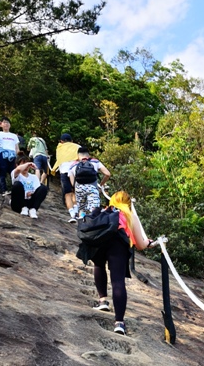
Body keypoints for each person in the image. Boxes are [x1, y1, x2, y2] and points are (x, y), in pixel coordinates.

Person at [80, 191, 154, 336]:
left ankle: (102, 301)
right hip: (118, 246)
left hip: (100, 242)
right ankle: (119, 323)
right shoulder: (129, 216)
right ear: (128, 203)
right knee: (118, 281)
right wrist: (149, 243)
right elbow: (140, 244)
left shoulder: (104, 211)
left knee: (99, 266)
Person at [68, 146, 111, 222]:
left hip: (79, 189)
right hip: (93, 188)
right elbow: (107, 174)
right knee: (94, 210)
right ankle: (92, 226)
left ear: (78, 155)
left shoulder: (73, 165)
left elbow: (72, 183)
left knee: (81, 209)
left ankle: (82, 224)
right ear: (88, 155)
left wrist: (76, 188)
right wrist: (100, 185)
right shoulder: (95, 162)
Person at [50, 133, 80, 218]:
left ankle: (71, 212)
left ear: (61, 141)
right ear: (72, 141)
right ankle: (76, 209)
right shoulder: (78, 146)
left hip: (64, 170)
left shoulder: (60, 147)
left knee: (67, 192)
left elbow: (59, 159)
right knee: (75, 190)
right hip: (76, 170)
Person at [10, 155, 48, 219]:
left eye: (27, 165)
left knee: (43, 188)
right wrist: (28, 163)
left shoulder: (33, 177)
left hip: (29, 202)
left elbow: (37, 190)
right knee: (17, 185)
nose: (26, 167)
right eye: (23, 164)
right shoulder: (16, 174)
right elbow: (19, 169)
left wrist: (32, 193)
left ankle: (33, 209)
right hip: (18, 203)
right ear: (17, 165)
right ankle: (23, 208)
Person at [0, 118, 20, 194]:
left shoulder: (14, 135)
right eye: (4, 122)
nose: (6, 124)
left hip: (13, 156)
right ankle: (3, 190)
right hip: (3, 155)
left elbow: (17, 148)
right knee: (2, 173)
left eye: (8, 123)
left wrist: (19, 158)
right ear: (2, 124)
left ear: (10, 125)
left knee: (14, 173)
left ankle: (16, 190)